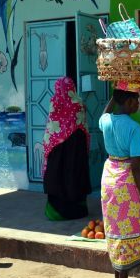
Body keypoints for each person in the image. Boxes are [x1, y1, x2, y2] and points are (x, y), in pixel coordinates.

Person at [99, 80, 140, 278]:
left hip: (109, 176)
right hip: (126, 182)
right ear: (129, 101)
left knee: (116, 231)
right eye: (137, 99)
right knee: (127, 233)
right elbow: (137, 165)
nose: (138, 104)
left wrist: (118, 89)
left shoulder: (105, 120)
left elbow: (106, 111)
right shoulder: (133, 127)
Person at [42, 77, 92, 221]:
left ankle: (57, 212)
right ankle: (78, 210)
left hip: (58, 148)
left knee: (58, 176)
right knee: (75, 175)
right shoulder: (79, 103)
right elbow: (83, 124)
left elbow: (52, 124)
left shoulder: (55, 101)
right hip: (77, 148)